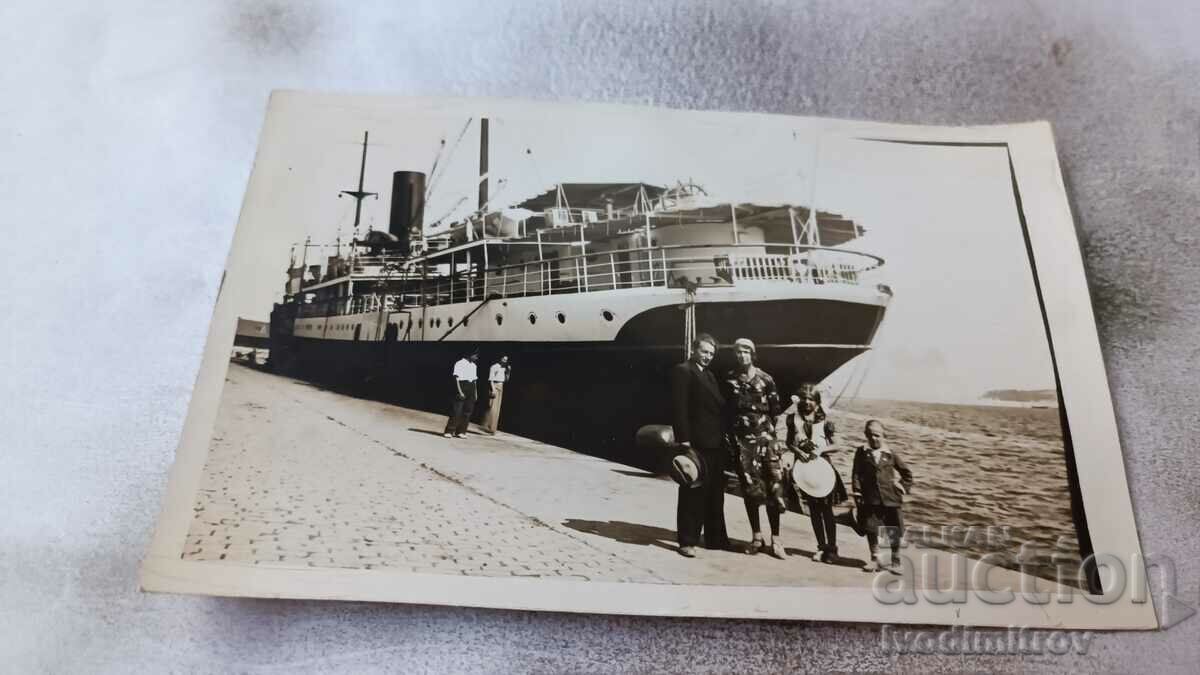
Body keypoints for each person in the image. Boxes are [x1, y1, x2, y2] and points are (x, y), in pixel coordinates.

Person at [723, 338, 787, 559]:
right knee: (750, 490)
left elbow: (775, 411)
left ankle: (776, 540)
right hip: (744, 444)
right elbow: (728, 411)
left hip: (765, 442)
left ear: (752, 354)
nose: (742, 356)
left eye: (746, 352)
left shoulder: (766, 379)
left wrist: (768, 438)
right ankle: (757, 537)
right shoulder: (730, 379)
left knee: (773, 488)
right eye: (738, 352)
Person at [669, 333, 730, 558]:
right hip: (695, 442)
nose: (707, 357)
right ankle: (687, 540)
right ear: (694, 350)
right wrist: (684, 440)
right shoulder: (684, 371)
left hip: (714, 443)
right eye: (704, 352)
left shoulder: (710, 376)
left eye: (711, 354)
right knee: (692, 490)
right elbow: (679, 408)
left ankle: (716, 538)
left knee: (715, 492)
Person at [784, 384, 848, 564]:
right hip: (804, 471)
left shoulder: (825, 422)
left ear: (817, 402)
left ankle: (832, 549)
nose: (807, 402)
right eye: (804, 398)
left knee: (826, 510)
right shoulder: (792, 419)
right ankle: (821, 547)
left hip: (823, 470)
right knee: (813, 510)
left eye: (811, 399)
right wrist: (797, 452)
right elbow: (789, 442)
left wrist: (821, 450)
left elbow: (837, 445)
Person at [851, 420, 914, 573]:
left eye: (877, 435)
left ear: (884, 436)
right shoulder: (861, 452)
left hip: (891, 499)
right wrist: (857, 491)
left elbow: (907, 474)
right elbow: (856, 473)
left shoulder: (890, 454)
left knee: (895, 530)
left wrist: (902, 487)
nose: (874, 439)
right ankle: (875, 559)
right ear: (866, 435)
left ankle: (896, 560)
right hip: (870, 499)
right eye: (870, 435)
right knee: (871, 528)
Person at [443, 350, 479, 438]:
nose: (477, 357)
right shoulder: (459, 363)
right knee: (457, 411)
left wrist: (475, 393)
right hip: (462, 386)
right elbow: (456, 379)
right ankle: (449, 431)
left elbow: (474, 381)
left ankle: (461, 431)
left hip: (471, 387)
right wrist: (460, 391)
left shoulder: (474, 365)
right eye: (475, 355)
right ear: (470, 354)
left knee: (467, 411)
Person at [482, 355, 511, 434]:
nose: (505, 361)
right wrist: (493, 389)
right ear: (500, 359)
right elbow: (491, 379)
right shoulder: (494, 366)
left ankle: (493, 428)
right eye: (503, 359)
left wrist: (508, 372)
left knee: (497, 408)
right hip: (495, 386)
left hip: (501, 387)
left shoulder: (505, 368)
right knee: (492, 407)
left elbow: (506, 380)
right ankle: (488, 427)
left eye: (506, 360)